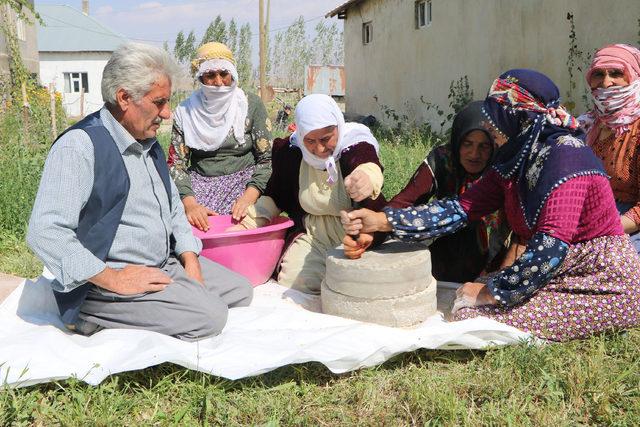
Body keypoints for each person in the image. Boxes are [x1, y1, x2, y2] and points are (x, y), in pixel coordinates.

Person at [342, 69, 640, 341]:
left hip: (601, 276)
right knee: (465, 301)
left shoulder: (568, 157)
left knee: (473, 314)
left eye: (498, 115)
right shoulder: (516, 159)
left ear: (520, 115)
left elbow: (551, 245)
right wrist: (383, 222)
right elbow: (461, 208)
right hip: (558, 268)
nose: (493, 125)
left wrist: (492, 292)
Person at [27, 43, 253, 341]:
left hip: (162, 264)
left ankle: (171, 295)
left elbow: (173, 206)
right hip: (106, 280)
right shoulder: (80, 146)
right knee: (211, 316)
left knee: (241, 290)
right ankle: (90, 312)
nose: (168, 113)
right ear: (124, 98)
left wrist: (190, 260)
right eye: (159, 102)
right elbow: (45, 231)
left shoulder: (148, 142)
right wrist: (115, 279)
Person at [232, 94, 387, 294]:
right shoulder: (293, 154)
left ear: (338, 127)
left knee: (355, 285)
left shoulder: (353, 146)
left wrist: (365, 179)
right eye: (310, 141)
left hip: (355, 237)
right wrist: (247, 225)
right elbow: (275, 196)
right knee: (296, 281)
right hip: (315, 236)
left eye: (326, 139)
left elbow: (367, 166)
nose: (319, 148)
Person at [386, 101, 510, 282]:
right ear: (457, 140)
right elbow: (405, 201)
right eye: (467, 144)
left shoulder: (502, 168)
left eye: (484, 146)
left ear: (493, 147)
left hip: (492, 264)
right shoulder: (443, 159)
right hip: (443, 259)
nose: (474, 154)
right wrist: (376, 226)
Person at [169, 42, 272, 230]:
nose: (218, 82)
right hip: (199, 183)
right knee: (182, 226)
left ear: (232, 74)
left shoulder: (250, 104)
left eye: (224, 74)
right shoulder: (185, 111)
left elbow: (266, 160)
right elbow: (177, 164)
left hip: (244, 181)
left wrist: (248, 197)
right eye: (210, 75)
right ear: (200, 77)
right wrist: (190, 205)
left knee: (239, 225)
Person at [581, 44, 640, 253]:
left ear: (633, 76)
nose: (606, 82)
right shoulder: (587, 125)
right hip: (588, 222)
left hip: (629, 226)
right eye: (598, 74)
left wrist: (605, 228)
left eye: (616, 73)